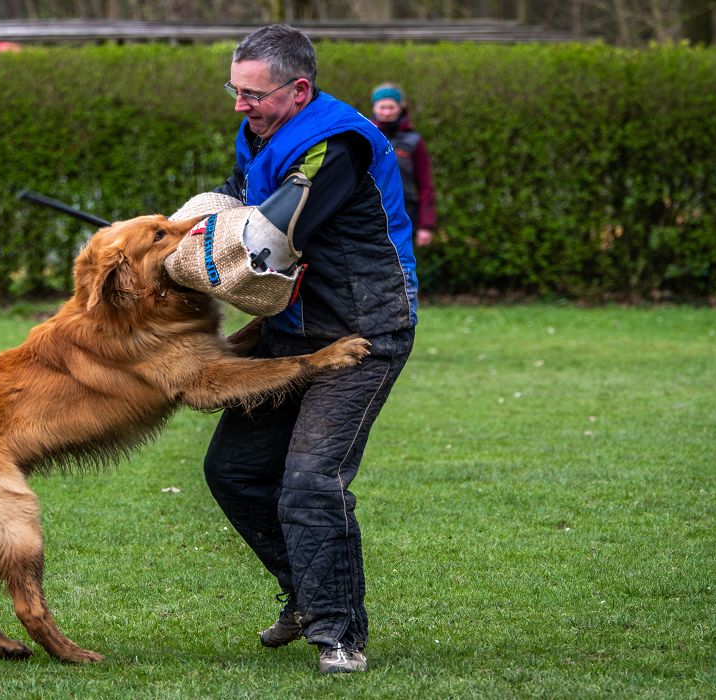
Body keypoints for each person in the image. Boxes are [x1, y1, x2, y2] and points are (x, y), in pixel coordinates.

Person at [193, 24, 418, 675]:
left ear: (299, 89)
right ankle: (304, 594)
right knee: (233, 470)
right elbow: (236, 198)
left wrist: (188, 254)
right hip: (290, 334)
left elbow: (272, 234)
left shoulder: (336, 143)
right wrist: (167, 232)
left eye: (253, 93)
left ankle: (338, 632)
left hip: (364, 332)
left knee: (310, 481)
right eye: (235, 91)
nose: (240, 105)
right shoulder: (261, 131)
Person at [369, 83, 437, 248]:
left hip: (404, 217)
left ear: (400, 107)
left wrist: (426, 225)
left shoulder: (413, 140)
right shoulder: (366, 136)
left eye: (391, 107)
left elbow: (425, 184)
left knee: (402, 269)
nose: (386, 112)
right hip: (369, 215)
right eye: (382, 107)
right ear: (374, 108)